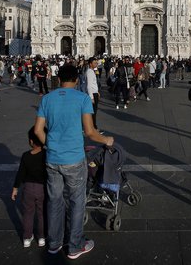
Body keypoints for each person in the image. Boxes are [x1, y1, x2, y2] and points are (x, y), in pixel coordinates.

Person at [33, 64, 114, 259]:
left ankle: (53, 244)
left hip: (52, 159)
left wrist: (51, 145)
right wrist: (107, 140)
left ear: (58, 78)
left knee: (54, 201)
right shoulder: (82, 98)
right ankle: (75, 245)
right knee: (77, 202)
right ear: (77, 80)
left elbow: (37, 131)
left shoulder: (47, 99)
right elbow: (90, 132)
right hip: (74, 160)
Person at [11, 127, 47, 248]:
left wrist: (15, 188)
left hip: (28, 188)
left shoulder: (26, 156)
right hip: (42, 188)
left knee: (28, 213)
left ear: (31, 141)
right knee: (42, 213)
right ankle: (41, 237)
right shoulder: (47, 154)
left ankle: (27, 238)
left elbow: (20, 173)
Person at [85, 57, 100, 131]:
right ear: (90, 64)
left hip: (94, 93)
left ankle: (92, 126)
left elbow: (93, 84)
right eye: (95, 63)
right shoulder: (90, 72)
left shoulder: (91, 71)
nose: (96, 64)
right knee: (93, 111)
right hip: (93, 94)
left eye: (96, 63)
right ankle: (93, 127)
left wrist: (97, 92)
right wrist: (91, 97)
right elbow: (89, 85)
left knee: (94, 111)